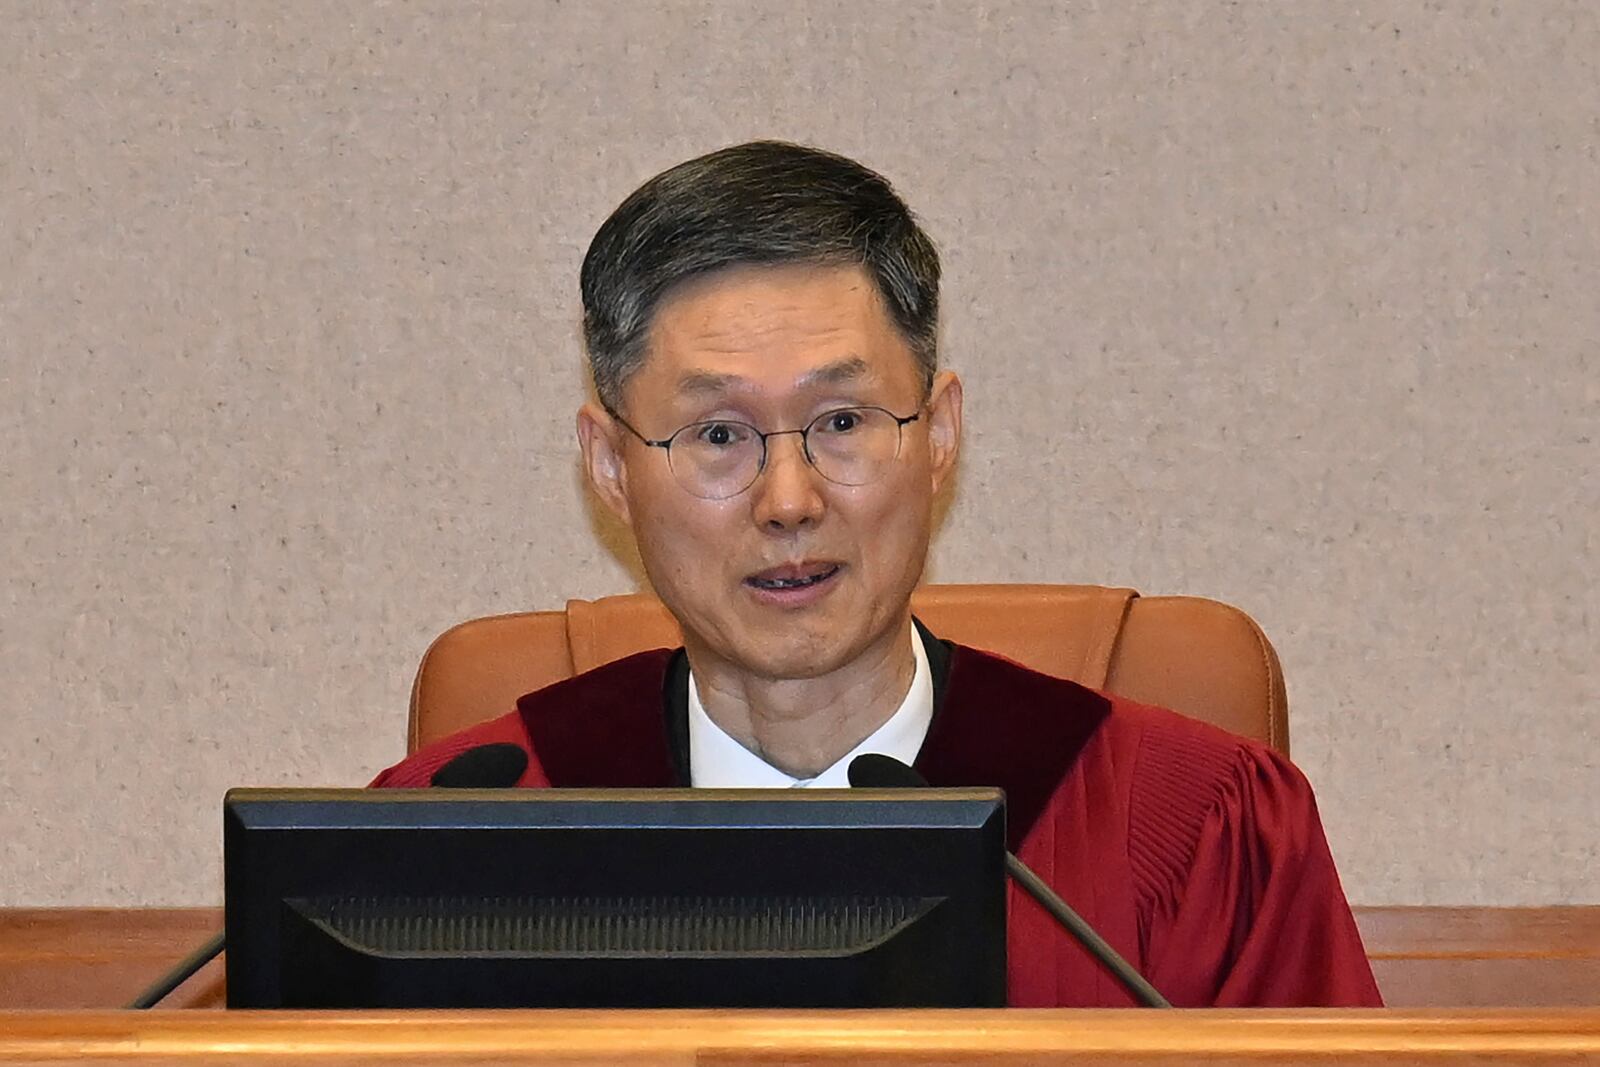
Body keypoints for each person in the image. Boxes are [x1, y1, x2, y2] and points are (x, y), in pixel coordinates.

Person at [373, 141, 1382, 1008]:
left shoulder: (1192, 826)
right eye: (717, 433)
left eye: (842, 422)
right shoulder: (446, 835)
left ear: (938, 435)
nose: (788, 499)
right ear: (610, 468)